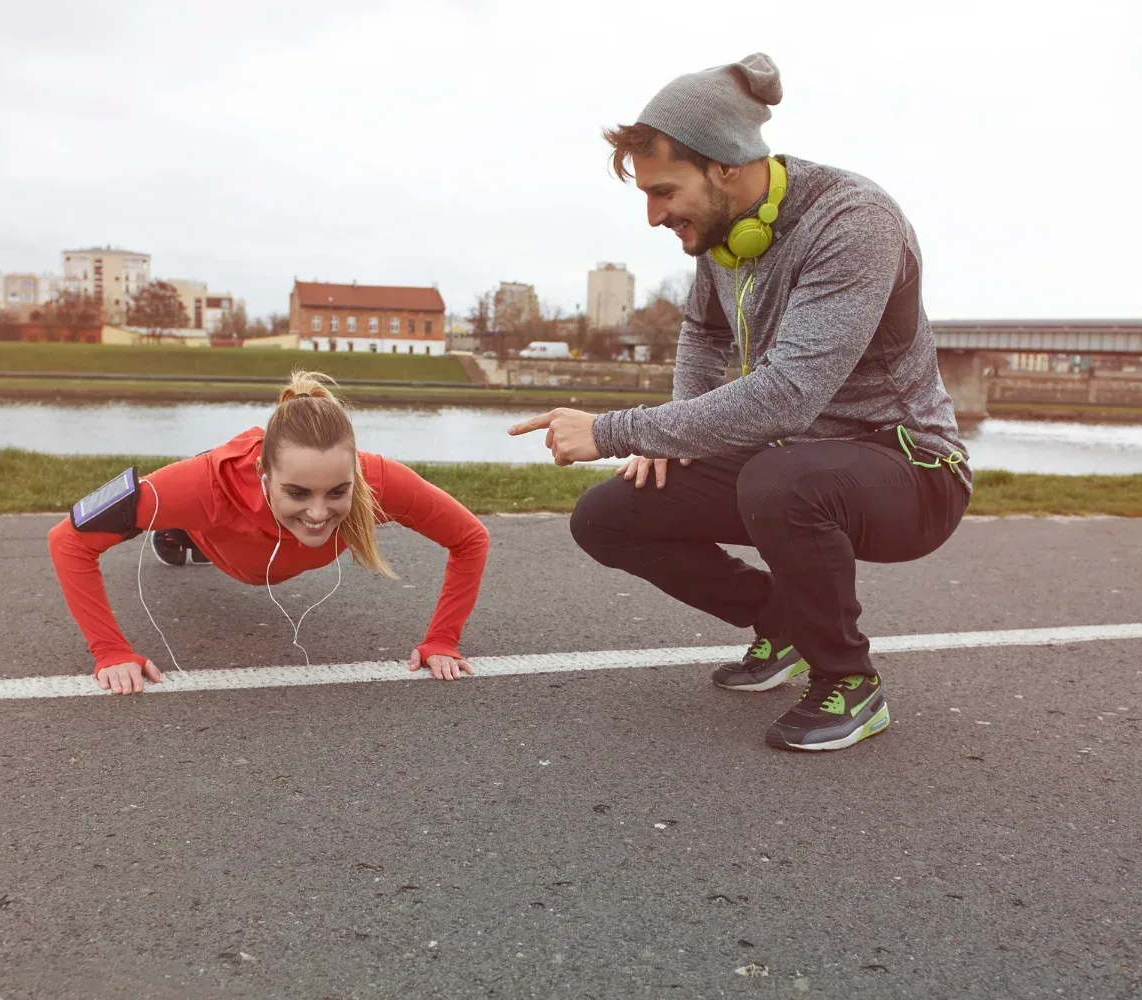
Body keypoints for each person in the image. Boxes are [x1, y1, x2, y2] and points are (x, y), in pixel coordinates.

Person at [510, 53, 969, 752]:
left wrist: (616, 431)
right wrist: (678, 436)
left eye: (664, 191)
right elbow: (702, 331)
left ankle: (849, 680)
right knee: (607, 516)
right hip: (793, 461)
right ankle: (781, 622)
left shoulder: (854, 222)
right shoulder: (723, 237)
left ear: (726, 166)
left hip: (912, 471)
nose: (653, 215)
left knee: (779, 479)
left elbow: (788, 395)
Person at [49, 371, 490, 692]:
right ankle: (177, 533)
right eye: (297, 493)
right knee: (185, 521)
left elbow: (471, 538)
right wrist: (111, 653)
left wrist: (442, 640)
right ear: (263, 472)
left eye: (337, 491)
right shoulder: (202, 484)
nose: (318, 513)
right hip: (212, 530)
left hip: (255, 554)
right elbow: (67, 540)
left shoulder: (380, 482)